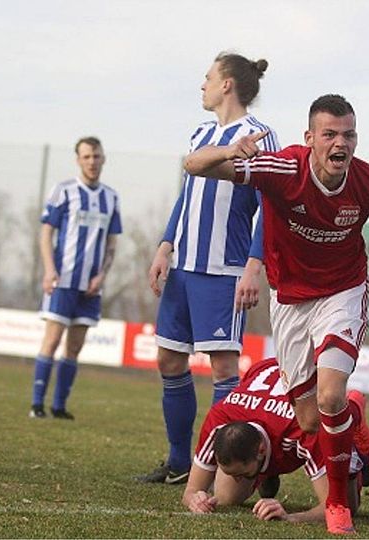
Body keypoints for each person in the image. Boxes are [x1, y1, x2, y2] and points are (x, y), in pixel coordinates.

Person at [183, 94, 369, 533]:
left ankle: (337, 505)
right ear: (309, 138)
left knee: (330, 395)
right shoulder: (282, 169)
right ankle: (358, 432)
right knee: (312, 420)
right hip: (290, 300)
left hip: (343, 293)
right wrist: (228, 152)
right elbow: (193, 165)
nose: (341, 143)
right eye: (330, 134)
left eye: (349, 134)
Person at [137, 52, 280, 484]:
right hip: (184, 267)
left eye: (207, 77)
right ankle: (180, 461)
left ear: (227, 85)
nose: (201, 85)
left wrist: (254, 267)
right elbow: (187, 196)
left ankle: (228, 467)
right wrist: (165, 245)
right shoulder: (202, 132)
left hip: (224, 269)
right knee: (168, 359)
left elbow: (269, 206)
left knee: (222, 369)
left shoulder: (260, 135)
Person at [182, 358, 369, 525]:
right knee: (226, 497)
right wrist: (195, 498)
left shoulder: (304, 428)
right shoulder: (219, 418)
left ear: (260, 450)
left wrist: (290, 517)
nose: (237, 479)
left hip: (304, 402)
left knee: (349, 504)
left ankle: (351, 413)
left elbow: (340, 506)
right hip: (265, 375)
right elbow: (190, 490)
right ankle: (266, 474)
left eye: (242, 474)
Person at [29, 137, 121, 420]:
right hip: (63, 279)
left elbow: (112, 242)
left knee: (75, 346)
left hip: (91, 286)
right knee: (52, 340)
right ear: (78, 160)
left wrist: (102, 276)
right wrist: (49, 269)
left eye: (96, 156)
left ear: (103, 159)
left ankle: (59, 406)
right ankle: (37, 405)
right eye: (86, 157)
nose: (92, 161)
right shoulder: (64, 191)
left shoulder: (111, 197)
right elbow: (46, 232)